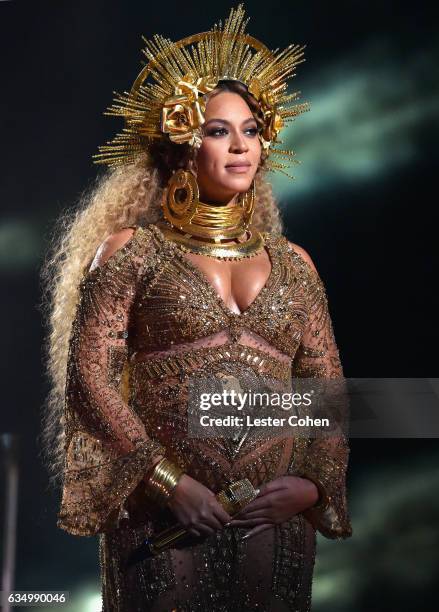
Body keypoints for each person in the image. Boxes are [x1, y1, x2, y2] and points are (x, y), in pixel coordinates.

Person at [41, 5, 352, 611]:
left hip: (274, 524)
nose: (240, 145)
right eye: (217, 130)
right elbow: (89, 379)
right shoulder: (134, 252)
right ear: (181, 143)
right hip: (164, 522)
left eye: (251, 129)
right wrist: (166, 482)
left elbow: (328, 392)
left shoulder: (296, 263)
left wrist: (311, 485)